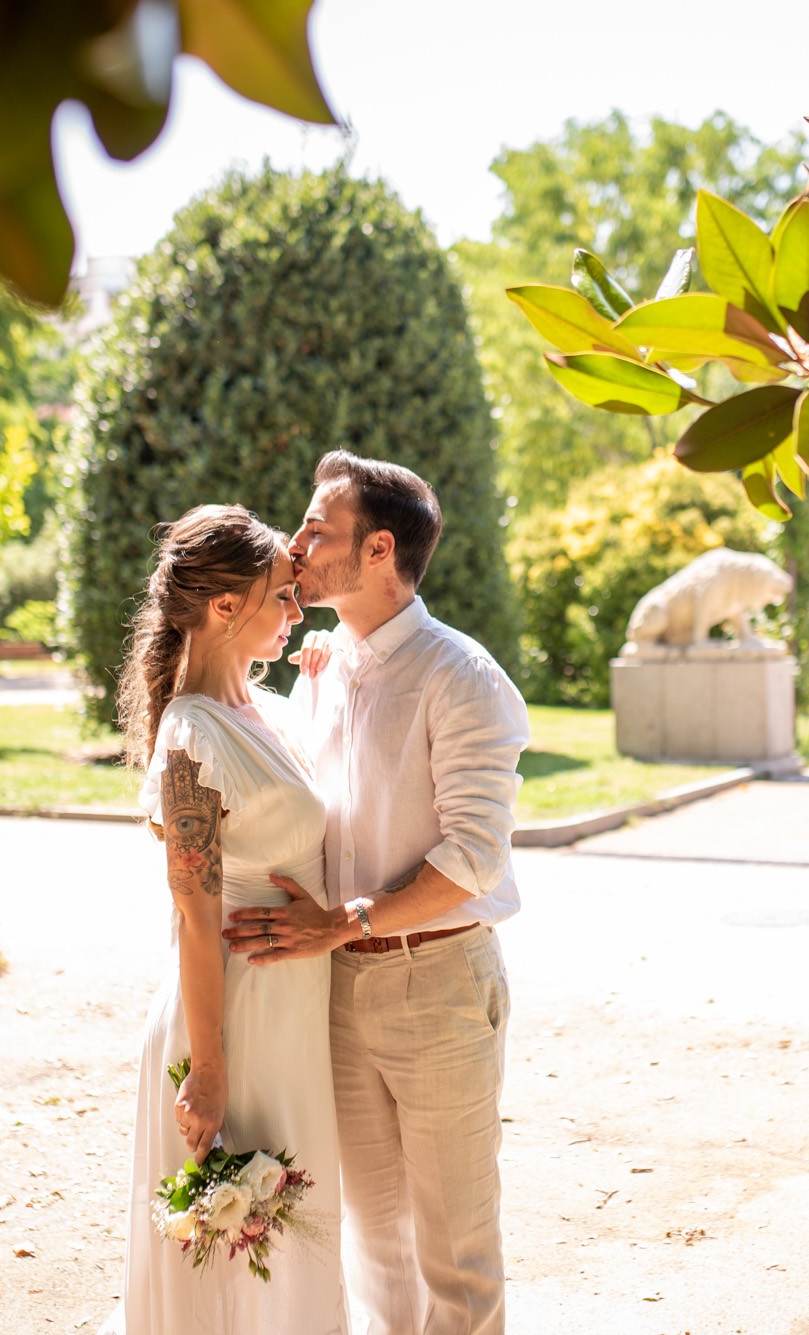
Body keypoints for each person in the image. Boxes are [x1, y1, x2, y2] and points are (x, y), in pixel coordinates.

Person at [222, 452, 530, 1335]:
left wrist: (343, 920)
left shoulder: (460, 676)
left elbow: (474, 853)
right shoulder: (321, 666)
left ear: (379, 548)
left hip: (437, 980)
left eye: (318, 528)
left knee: (455, 1247)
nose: (297, 541)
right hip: (337, 985)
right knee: (372, 1237)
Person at [104, 504, 348, 1335]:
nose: (296, 611)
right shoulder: (187, 740)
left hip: (292, 1017)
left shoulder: (267, 707)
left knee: (292, 1246)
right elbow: (194, 914)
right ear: (223, 609)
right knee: (234, 1259)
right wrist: (209, 1069)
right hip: (232, 1021)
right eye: (282, 596)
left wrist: (319, 673)